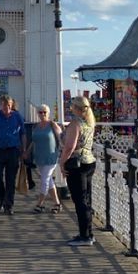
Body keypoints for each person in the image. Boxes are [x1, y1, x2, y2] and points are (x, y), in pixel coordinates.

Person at [60, 95, 97, 246]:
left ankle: (85, 236)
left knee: (80, 200)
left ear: (76, 108)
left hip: (77, 164)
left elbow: (70, 147)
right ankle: (88, 232)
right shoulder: (89, 122)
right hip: (89, 162)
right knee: (86, 199)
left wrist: (62, 163)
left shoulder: (75, 123)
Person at [0, 94, 26, 215]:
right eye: (4, 105)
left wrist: (23, 150)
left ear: (11, 105)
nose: (7, 108)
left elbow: (23, 133)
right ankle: (2, 198)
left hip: (13, 151)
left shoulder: (17, 116)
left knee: (10, 179)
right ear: (0, 105)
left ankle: (8, 205)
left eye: (9, 105)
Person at [27, 105, 62, 213]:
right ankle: (57, 203)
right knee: (48, 180)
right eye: (40, 112)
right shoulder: (35, 126)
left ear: (48, 113)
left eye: (45, 112)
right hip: (39, 156)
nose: (42, 114)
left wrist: (66, 152)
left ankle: (40, 204)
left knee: (44, 180)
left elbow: (62, 138)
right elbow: (33, 141)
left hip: (50, 156)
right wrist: (27, 151)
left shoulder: (52, 125)